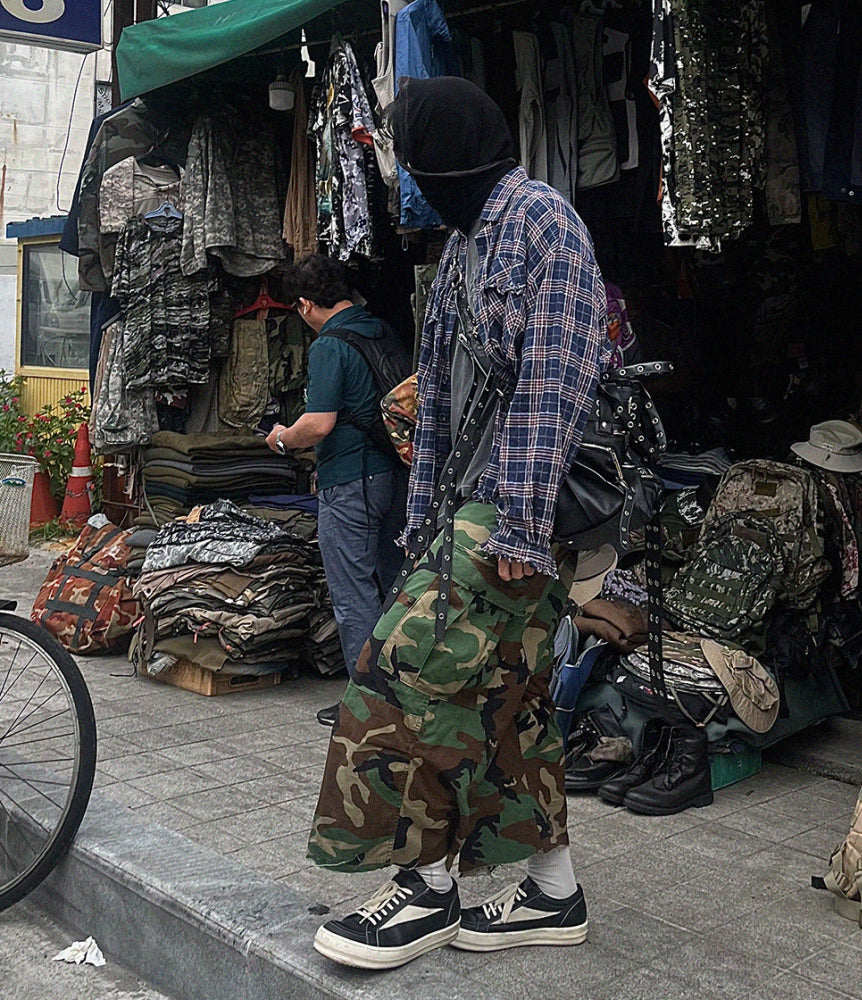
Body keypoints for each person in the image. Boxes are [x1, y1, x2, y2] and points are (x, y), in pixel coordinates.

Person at [307, 77, 608, 971]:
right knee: (506, 702)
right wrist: (423, 521)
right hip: (468, 513)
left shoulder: (544, 226)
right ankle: (553, 893)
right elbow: (434, 402)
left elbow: (555, 386)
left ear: (447, 168)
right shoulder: (467, 242)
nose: (412, 190)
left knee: (402, 672)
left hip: (525, 515)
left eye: (418, 172)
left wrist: (515, 528)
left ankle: (422, 888)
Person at [266, 255, 407, 723]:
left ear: (306, 305)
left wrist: (283, 438)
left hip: (350, 480)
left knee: (352, 594)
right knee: (394, 583)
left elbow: (319, 423)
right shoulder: (381, 328)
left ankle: (368, 705)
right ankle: (405, 693)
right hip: (394, 473)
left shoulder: (329, 345)